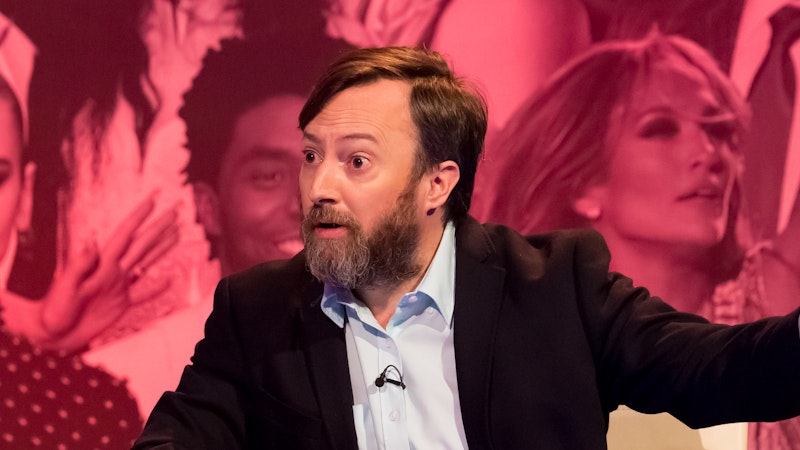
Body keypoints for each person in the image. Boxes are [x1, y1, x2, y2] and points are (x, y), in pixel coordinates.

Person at [134, 46, 800, 449]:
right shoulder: (257, 310)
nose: (318, 186)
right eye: (314, 156)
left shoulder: (556, 288)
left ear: (437, 182)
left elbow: (723, 371)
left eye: (356, 161)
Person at [473, 32, 800, 448]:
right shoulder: (520, 348)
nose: (708, 154)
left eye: (718, 131)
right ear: (585, 183)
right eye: (661, 129)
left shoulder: (772, 297)